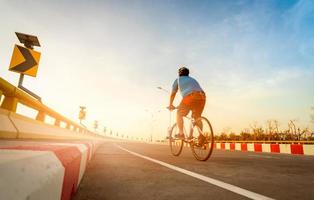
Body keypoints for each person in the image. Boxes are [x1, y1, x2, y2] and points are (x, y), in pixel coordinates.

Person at [168, 67, 206, 139]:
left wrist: (170, 105)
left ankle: (181, 133)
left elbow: (173, 94)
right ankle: (201, 136)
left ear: (179, 74)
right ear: (188, 74)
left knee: (179, 113)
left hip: (190, 97)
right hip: (202, 96)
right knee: (197, 117)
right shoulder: (192, 79)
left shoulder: (178, 80)